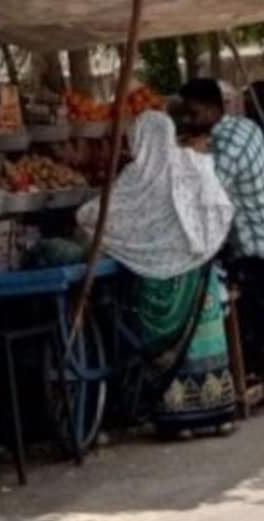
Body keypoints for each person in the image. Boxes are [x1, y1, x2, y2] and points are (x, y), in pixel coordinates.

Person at [78, 111, 238, 436]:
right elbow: (221, 206)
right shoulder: (192, 166)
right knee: (203, 341)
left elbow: (97, 215)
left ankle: (180, 421)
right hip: (197, 278)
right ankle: (217, 414)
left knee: (164, 346)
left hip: (155, 281)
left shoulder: (137, 179)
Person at [177, 78, 264, 406]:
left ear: (213, 108)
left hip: (252, 238)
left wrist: (188, 157)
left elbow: (210, 188)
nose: (188, 120)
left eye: (193, 113)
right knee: (256, 310)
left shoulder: (226, 142)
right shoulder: (243, 127)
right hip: (257, 231)